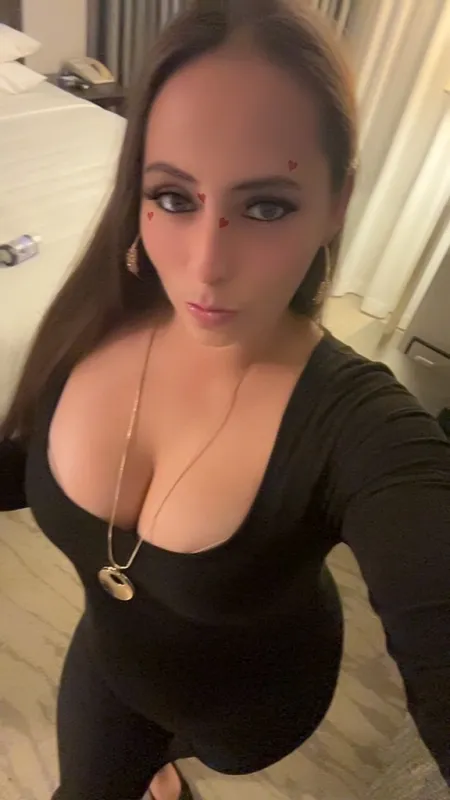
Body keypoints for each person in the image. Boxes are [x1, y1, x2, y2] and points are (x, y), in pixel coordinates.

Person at [0, 1, 449, 798]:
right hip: (111, 668)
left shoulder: (363, 429)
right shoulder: (90, 321)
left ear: (337, 203)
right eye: (175, 198)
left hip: (248, 711)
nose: (206, 265)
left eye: (266, 205)